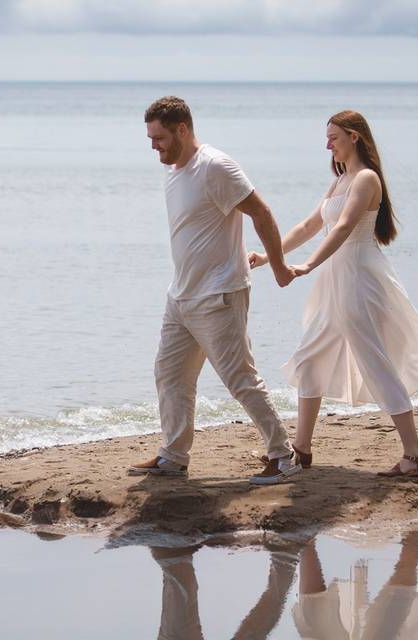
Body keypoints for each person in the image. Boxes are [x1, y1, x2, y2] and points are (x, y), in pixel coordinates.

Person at [249, 110, 418, 477]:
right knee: (310, 358)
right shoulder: (340, 182)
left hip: (359, 281)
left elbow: (344, 228)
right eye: (327, 138)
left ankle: (414, 456)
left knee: (374, 362)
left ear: (354, 137)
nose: (327, 144)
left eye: (333, 137)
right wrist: (269, 257)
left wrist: (308, 266)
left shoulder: (365, 179)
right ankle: (301, 450)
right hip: (334, 282)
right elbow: (310, 225)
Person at [128, 96, 299, 485]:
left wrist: (278, 266)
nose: (154, 145)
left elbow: (262, 213)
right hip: (181, 296)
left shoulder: (215, 167)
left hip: (219, 294)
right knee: (170, 375)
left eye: (159, 138)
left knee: (240, 378)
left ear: (182, 130)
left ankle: (284, 456)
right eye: (150, 138)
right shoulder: (174, 172)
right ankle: (173, 456)